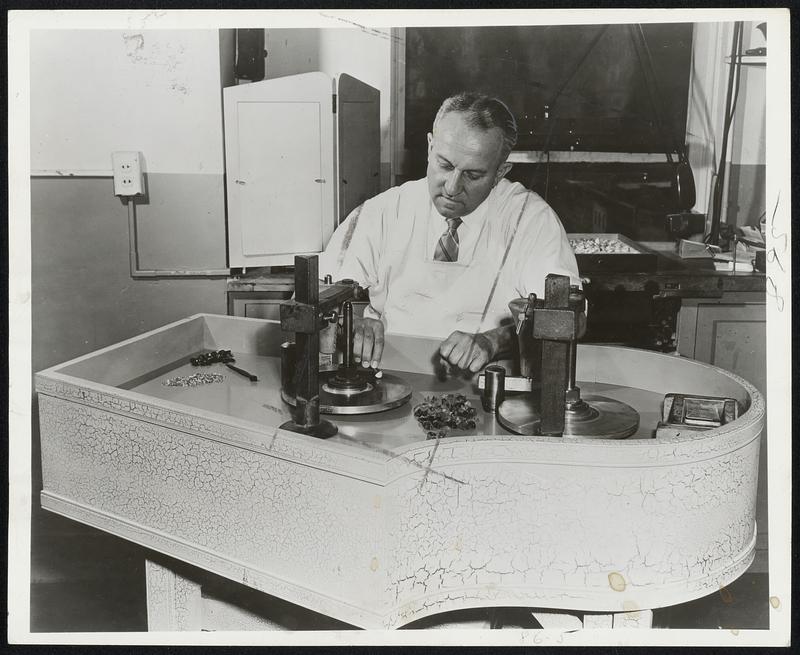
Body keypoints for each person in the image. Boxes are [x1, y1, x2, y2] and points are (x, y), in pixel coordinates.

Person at [319, 92, 581, 373]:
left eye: (473, 175)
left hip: (490, 392)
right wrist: (352, 322)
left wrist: (493, 340)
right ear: (430, 147)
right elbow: (319, 293)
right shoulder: (386, 211)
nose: (452, 187)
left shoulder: (529, 220)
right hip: (388, 383)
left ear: (500, 173)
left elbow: (565, 317)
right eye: (444, 165)